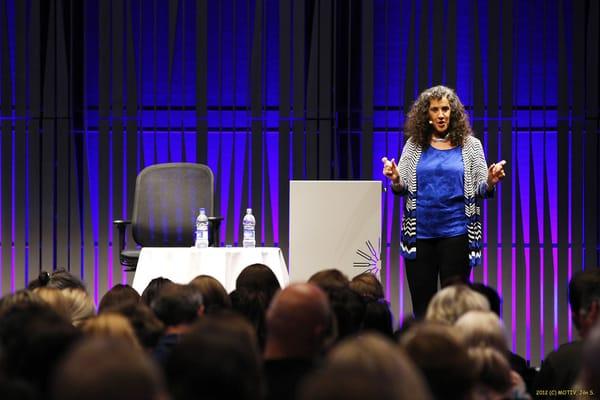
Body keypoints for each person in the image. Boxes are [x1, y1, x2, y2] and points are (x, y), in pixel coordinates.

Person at [382, 85, 506, 318]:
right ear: (426, 115)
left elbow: (481, 188)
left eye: (446, 109)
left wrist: (490, 181)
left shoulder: (471, 146)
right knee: (423, 308)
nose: (441, 114)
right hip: (419, 236)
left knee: (454, 308)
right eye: (435, 109)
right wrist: (396, 178)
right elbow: (402, 188)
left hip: (457, 234)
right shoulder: (414, 145)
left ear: (453, 112)